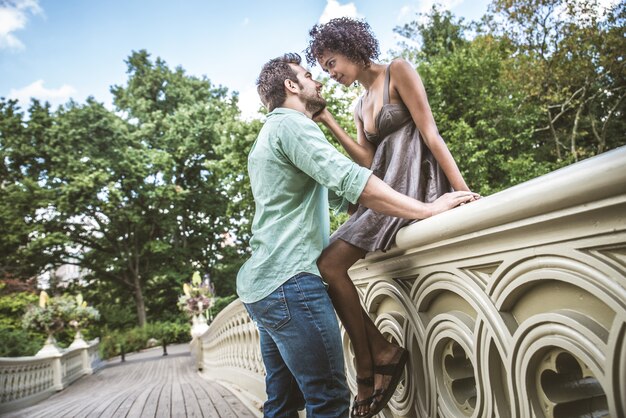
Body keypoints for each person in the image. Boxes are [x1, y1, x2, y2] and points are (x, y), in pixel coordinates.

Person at [237, 52, 478, 418]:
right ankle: (376, 358)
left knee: (282, 405)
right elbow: (353, 182)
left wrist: (376, 203)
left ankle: (378, 355)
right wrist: (427, 209)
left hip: (263, 289)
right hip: (291, 285)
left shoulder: (268, 135)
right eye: (308, 75)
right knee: (329, 401)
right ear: (291, 86)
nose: (319, 80)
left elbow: (340, 196)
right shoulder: (293, 126)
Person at [305, 17, 479, 418]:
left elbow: (430, 133)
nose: (331, 74)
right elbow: (367, 159)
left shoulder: (398, 71)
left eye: (332, 63)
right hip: (385, 190)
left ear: (351, 48)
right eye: (325, 68)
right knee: (326, 263)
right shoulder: (358, 104)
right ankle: (376, 357)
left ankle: (372, 365)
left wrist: (463, 191)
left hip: (415, 186)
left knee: (329, 263)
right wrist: (328, 119)